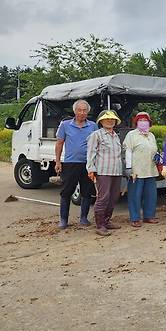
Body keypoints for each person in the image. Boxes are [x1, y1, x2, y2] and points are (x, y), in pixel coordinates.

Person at [54, 99, 97, 229]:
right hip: (70, 163)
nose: (82, 113)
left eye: (85, 110)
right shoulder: (65, 125)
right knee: (66, 192)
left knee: (87, 192)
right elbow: (59, 143)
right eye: (79, 110)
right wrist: (57, 161)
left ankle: (83, 218)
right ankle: (63, 220)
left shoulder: (93, 126)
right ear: (75, 111)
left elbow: (97, 144)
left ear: (88, 112)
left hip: (88, 163)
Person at [86, 110, 123, 236]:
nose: (110, 121)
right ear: (101, 121)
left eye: (112, 119)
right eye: (107, 119)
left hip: (116, 171)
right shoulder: (96, 135)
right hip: (103, 171)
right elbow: (91, 153)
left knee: (113, 198)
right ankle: (100, 224)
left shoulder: (116, 136)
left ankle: (107, 221)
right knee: (103, 198)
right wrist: (91, 169)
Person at [124, 112, 159, 227]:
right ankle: (135, 217)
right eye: (141, 120)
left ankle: (149, 215)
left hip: (150, 169)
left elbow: (153, 149)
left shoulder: (151, 135)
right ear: (136, 122)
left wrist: (158, 156)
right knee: (135, 194)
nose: (143, 122)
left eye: (146, 120)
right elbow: (128, 150)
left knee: (151, 194)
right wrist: (128, 167)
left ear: (149, 123)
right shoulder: (131, 135)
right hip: (136, 170)